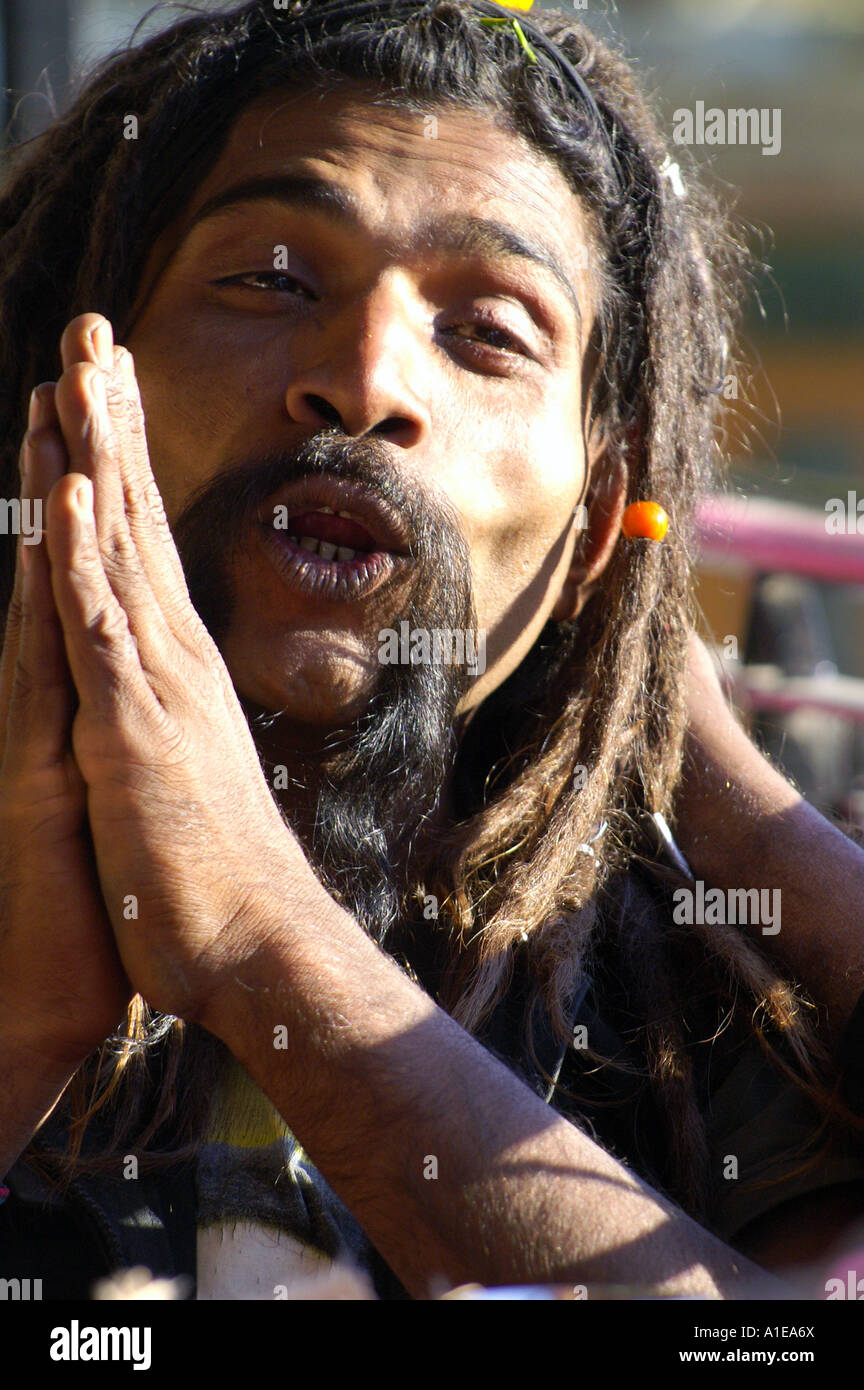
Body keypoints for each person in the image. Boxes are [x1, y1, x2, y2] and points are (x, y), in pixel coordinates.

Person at [0, 0, 862, 1301]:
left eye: (491, 332)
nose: (365, 378)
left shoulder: (688, 1001)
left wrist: (724, 791)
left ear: (595, 531)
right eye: (271, 279)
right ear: (62, 389)